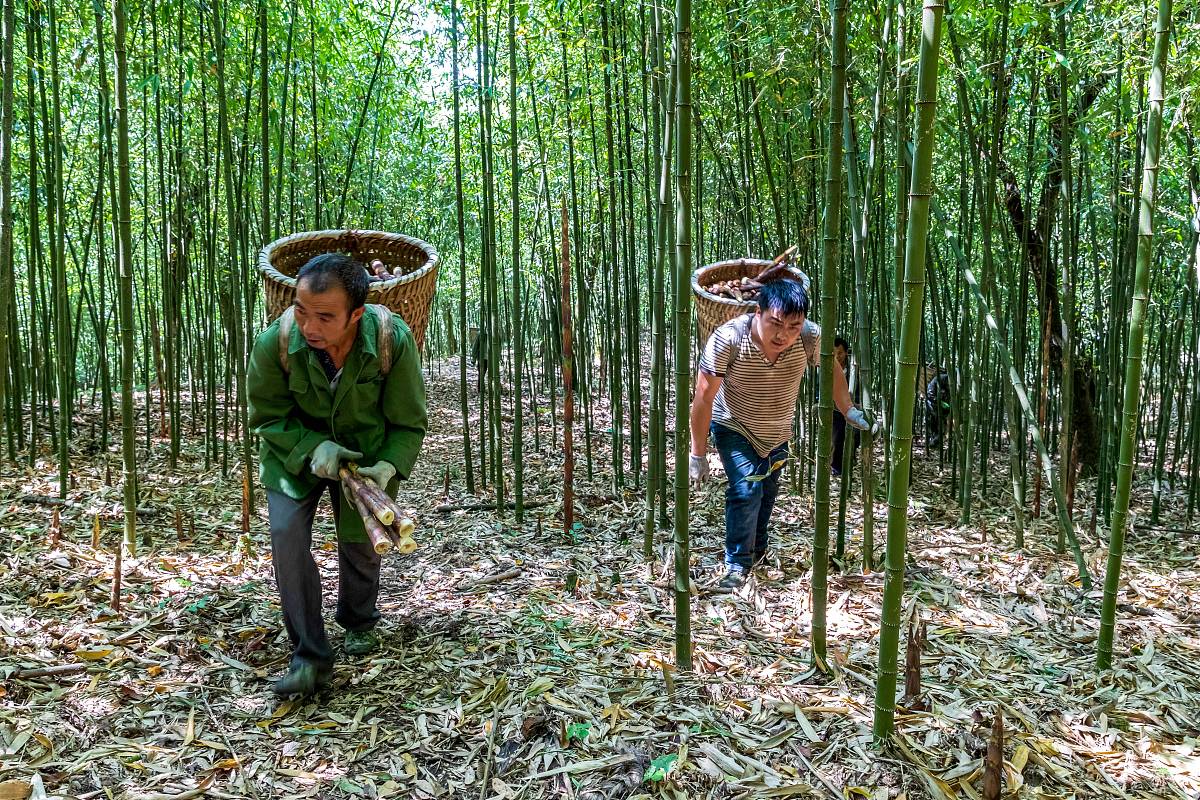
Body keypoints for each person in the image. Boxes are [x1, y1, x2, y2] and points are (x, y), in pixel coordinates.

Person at [247, 254, 427, 696]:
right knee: (287, 538)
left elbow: (408, 421)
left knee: (362, 541)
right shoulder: (275, 343)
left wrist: (388, 465)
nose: (310, 327)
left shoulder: (390, 340)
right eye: (302, 311)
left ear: (356, 314)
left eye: (325, 317)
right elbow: (267, 417)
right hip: (292, 456)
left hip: (367, 454)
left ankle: (358, 619)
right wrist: (313, 447)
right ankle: (309, 654)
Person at [688, 279, 876, 590]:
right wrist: (697, 454)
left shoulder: (810, 337)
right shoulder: (728, 339)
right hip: (734, 423)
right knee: (746, 491)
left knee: (767, 494)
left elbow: (833, 372)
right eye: (775, 323)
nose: (783, 334)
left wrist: (847, 410)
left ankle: (757, 550)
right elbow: (703, 398)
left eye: (793, 326)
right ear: (757, 313)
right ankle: (737, 563)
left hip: (777, 429)